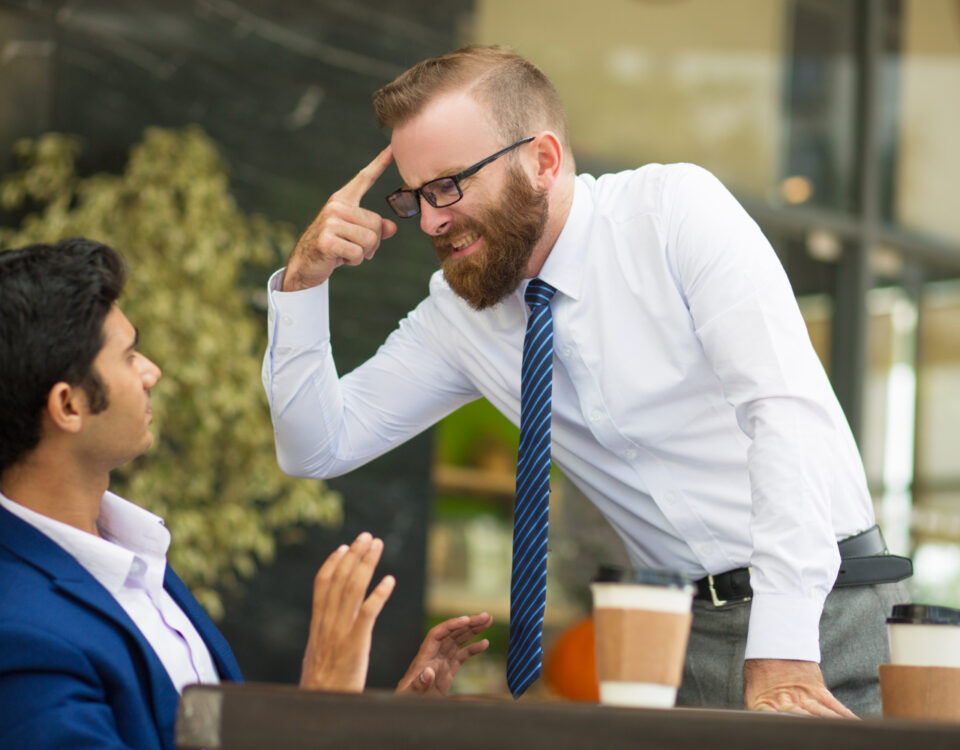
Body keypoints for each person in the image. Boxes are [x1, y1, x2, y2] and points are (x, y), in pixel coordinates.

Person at [261, 46, 910, 716]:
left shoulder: (672, 214)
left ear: (542, 161)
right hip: (674, 644)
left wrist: (784, 650)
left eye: (449, 185)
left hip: (824, 615)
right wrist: (304, 284)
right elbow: (318, 445)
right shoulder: (461, 317)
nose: (430, 219)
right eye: (415, 196)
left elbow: (783, 414)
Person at [0, 238, 492, 750]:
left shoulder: (135, 557)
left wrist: (378, 725)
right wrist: (320, 704)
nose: (152, 372)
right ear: (68, 406)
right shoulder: (21, 639)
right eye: (128, 357)